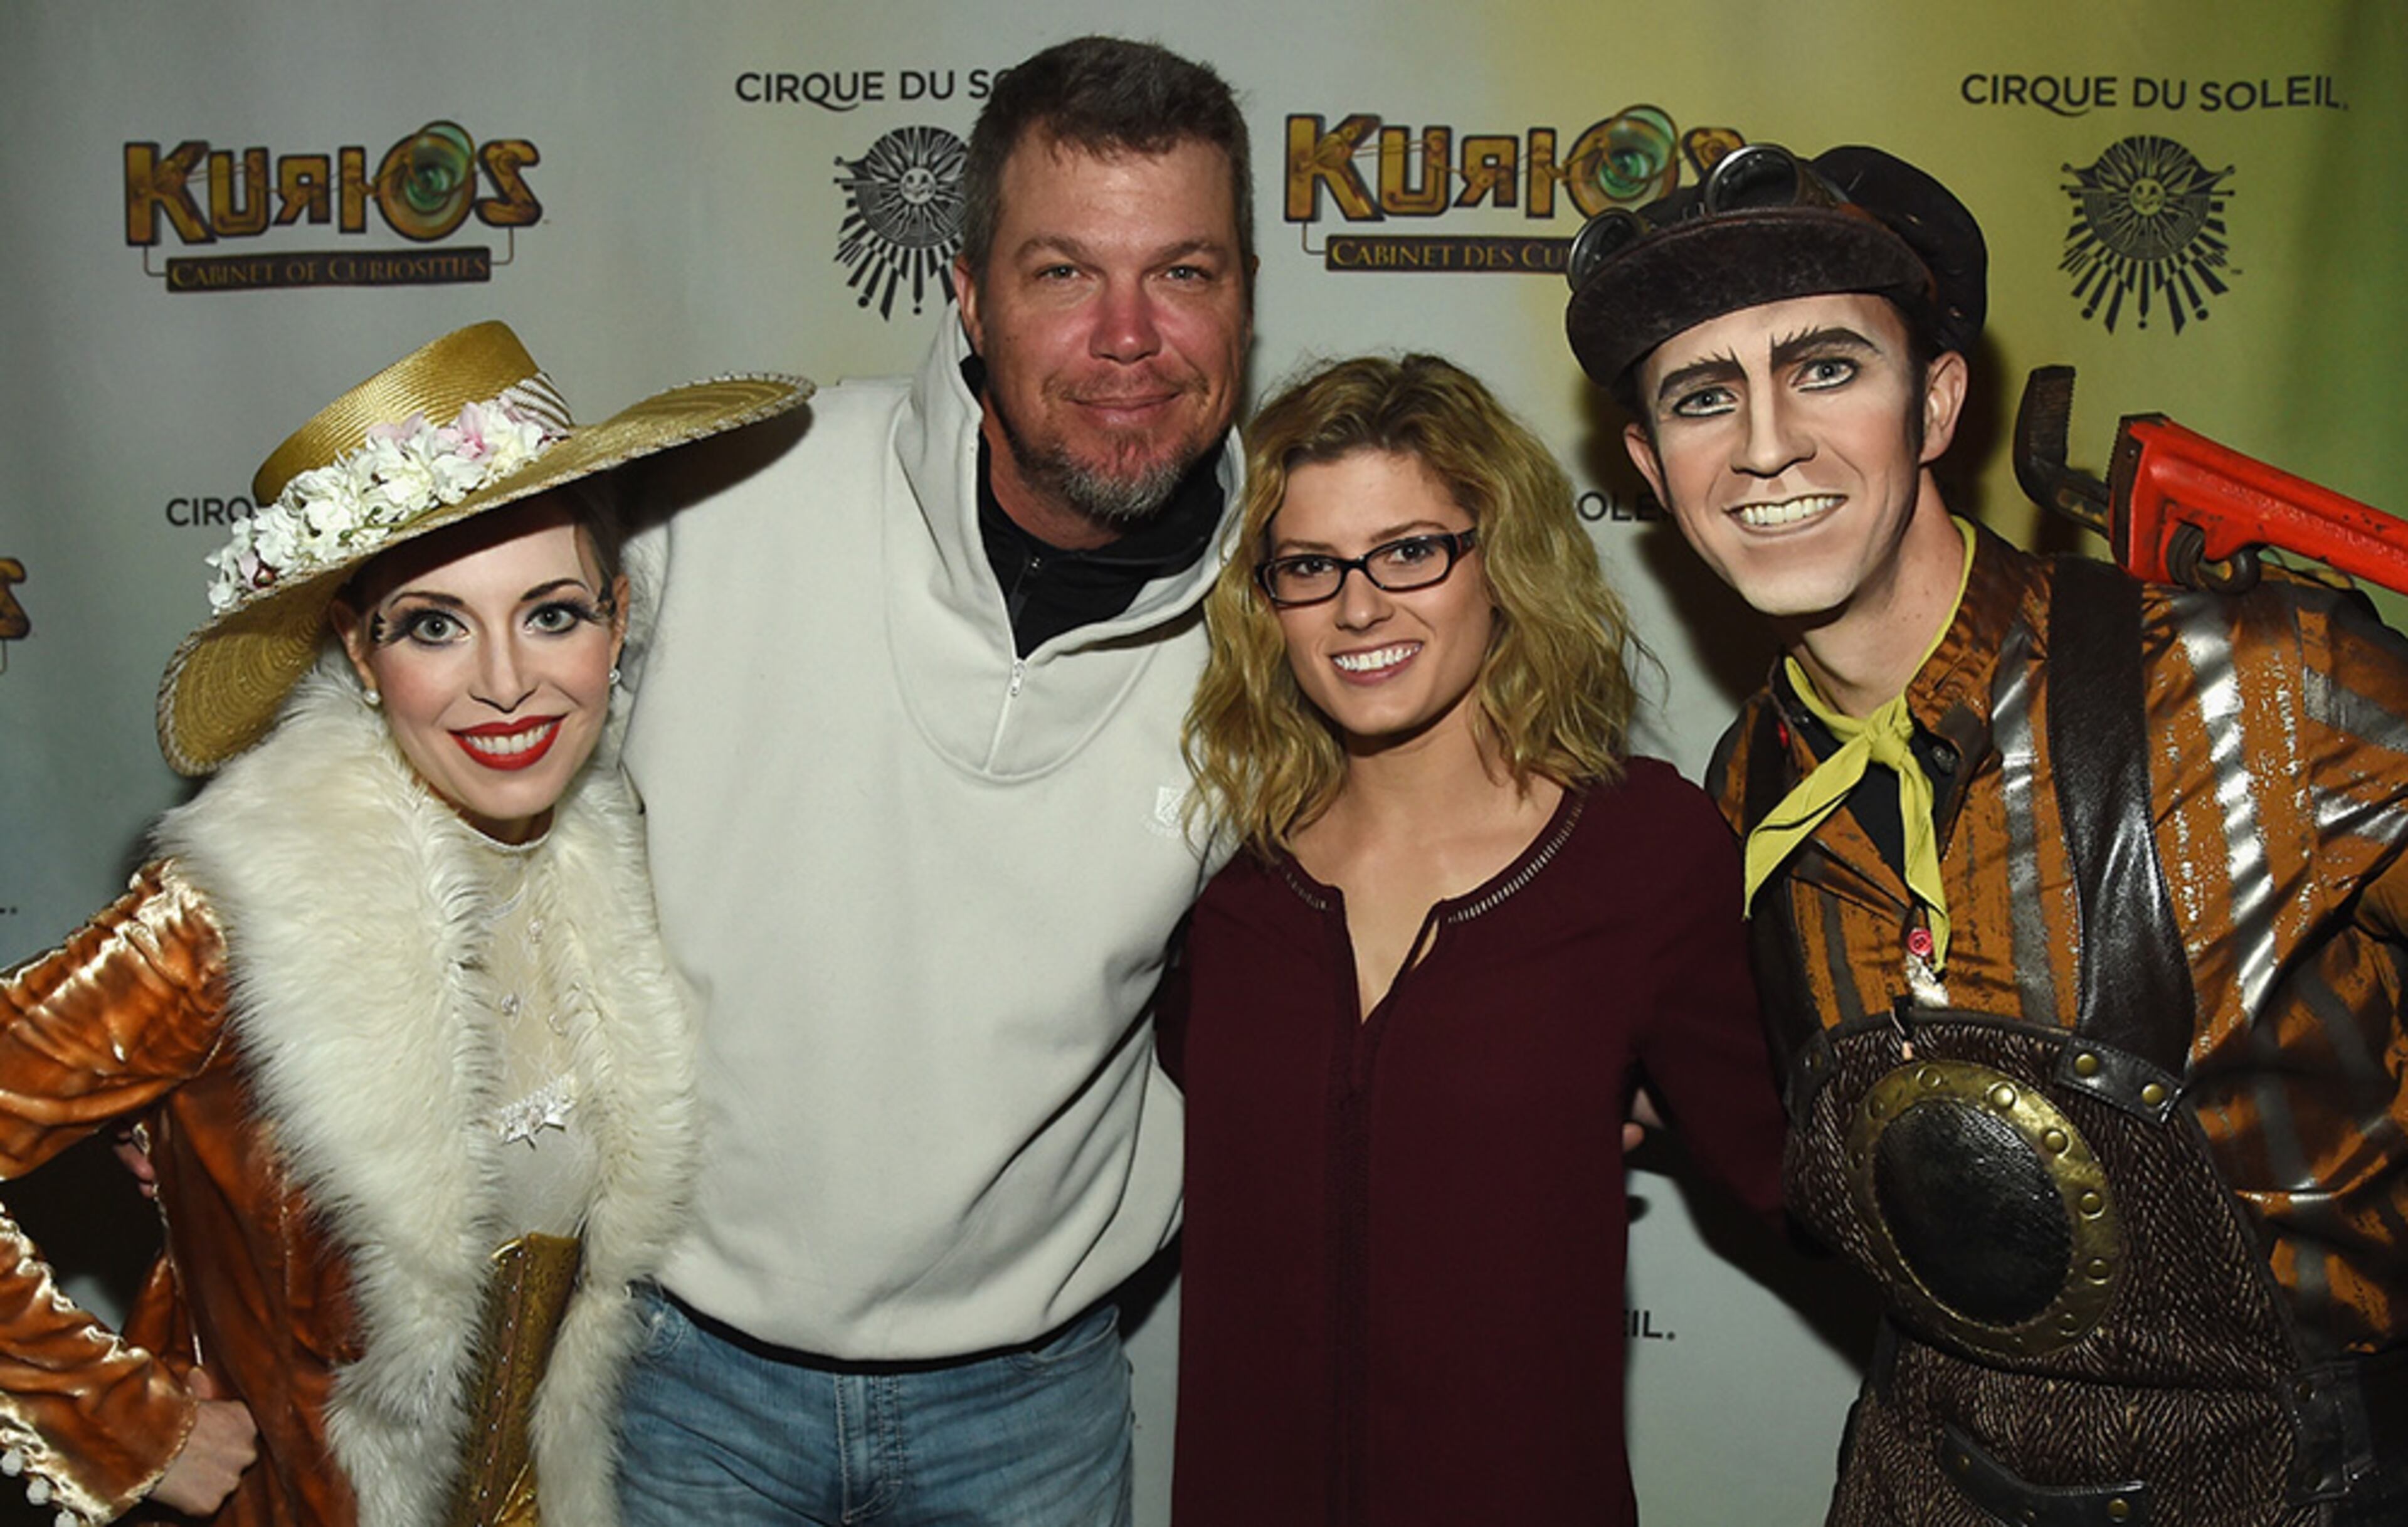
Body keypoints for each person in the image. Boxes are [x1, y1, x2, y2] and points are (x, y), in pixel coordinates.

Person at [1564, 142, 2408, 1523]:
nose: (1768, 443)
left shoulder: (2259, 690)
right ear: (1655, 468)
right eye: (1706, 398)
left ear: (1938, 401)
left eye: (1825, 367)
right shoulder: (1741, 799)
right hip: (1928, 1476)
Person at [0, 320, 806, 1527]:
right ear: (362, 653)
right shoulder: (242, 905)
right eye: (435, 623)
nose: (505, 682)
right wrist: (122, 1419)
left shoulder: (620, 842)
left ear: (616, 614)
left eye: (552, 613)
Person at [611, 36, 1250, 1527]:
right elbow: (427, 738)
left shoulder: (1300, 613)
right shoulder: (727, 495)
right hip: (683, 1374)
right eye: (1061, 274)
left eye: (1187, 273)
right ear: (966, 295)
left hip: (1031, 1402)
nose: (1129, 334)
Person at [1167, 354, 1786, 1526]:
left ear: (1500, 564)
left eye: (1410, 552)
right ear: (1266, 602)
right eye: (1309, 566)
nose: (1359, 607)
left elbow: (1800, 1174)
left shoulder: (1640, 853)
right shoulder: (1221, 885)